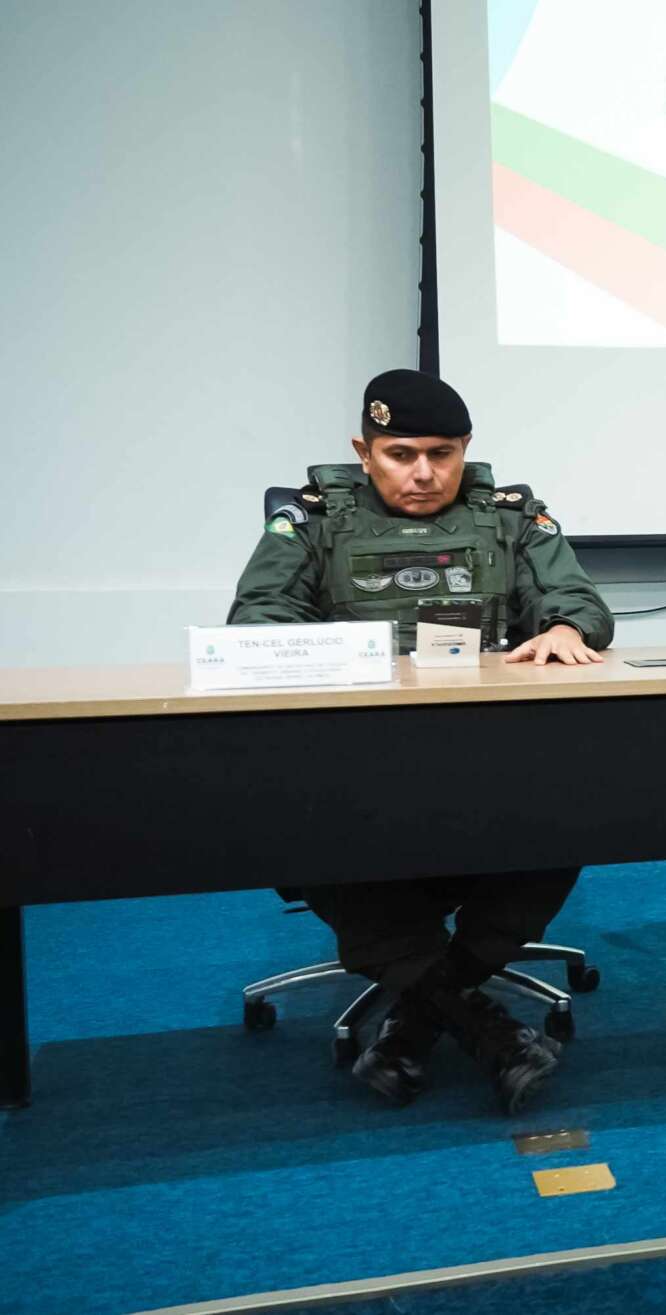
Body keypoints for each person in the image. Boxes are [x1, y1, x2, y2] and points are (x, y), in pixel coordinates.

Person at [227, 369, 609, 1113]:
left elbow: (579, 600)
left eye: (442, 453)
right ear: (363, 452)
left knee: (572, 814)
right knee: (315, 832)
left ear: (466, 448)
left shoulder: (510, 518)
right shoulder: (313, 521)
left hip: (487, 754)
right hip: (357, 760)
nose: (424, 473)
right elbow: (258, 619)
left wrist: (567, 626)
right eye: (401, 454)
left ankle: (418, 1015)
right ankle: (484, 1027)